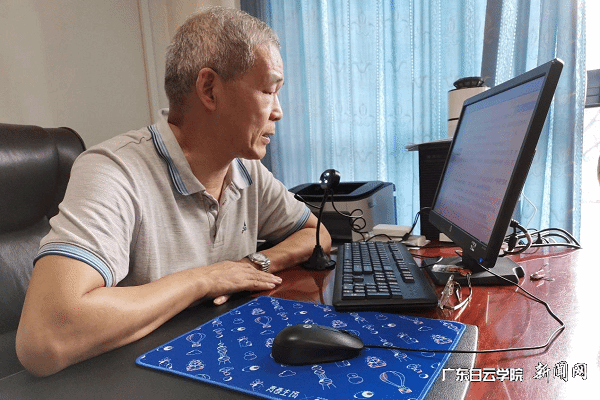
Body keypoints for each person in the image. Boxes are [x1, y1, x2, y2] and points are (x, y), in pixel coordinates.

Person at [16, 7, 331, 377]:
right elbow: (44, 339)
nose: (278, 112)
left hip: (213, 354)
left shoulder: (246, 169)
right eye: (268, 91)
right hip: (134, 375)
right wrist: (206, 278)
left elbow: (317, 234)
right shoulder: (113, 170)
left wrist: (254, 264)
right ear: (209, 89)